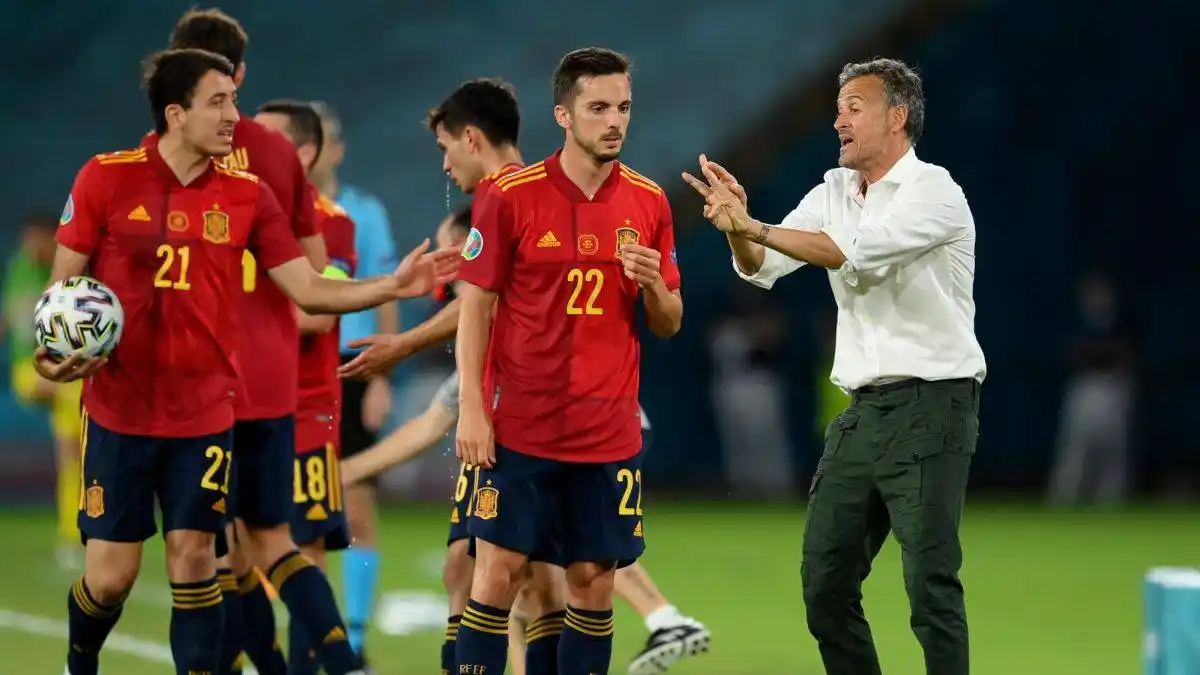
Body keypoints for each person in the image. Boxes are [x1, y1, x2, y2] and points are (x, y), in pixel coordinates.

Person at [41, 48, 456, 675]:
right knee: (111, 578)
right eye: (218, 102)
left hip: (206, 415)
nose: (234, 115)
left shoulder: (247, 196)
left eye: (233, 101)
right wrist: (53, 358)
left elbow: (309, 289)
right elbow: (62, 296)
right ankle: (81, 657)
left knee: (194, 559)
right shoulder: (105, 177)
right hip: (120, 412)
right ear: (175, 114)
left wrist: (392, 287)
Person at [683, 57, 985, 675]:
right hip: (865, 413)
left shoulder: (935, 191)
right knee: (825, 584)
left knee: (930, 585)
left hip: (934, 406)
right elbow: (761, 267)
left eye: (854, 107)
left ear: (896, 117)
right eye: (838, 108)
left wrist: (753, 226)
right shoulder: (833, 191)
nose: (838, 120)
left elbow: (852, 253)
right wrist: (739, 229)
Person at [341, 211, 711, 675]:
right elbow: (436, 415)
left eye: (455, 258)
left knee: (548, 566)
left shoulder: (509, 294)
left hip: (591, 432)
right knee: (511, 573)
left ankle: (663, 617)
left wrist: (402, 347)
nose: (450, 281)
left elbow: (432, 421)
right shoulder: (495, 322)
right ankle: (661, 618)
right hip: (570, 433)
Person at [454, 47, 683, 675]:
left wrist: (653, 286)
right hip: (522, 426)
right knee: (498, 571)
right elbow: (475, 309)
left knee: (592, 580)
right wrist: (472, 406)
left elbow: (669, 322)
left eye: (624, 108)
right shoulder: (511, 195)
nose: (615, 121)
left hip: (607, 432)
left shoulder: (649, 202)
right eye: (599, 108)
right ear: (563, 114)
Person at [164, 10, 327, 674]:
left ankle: (250, 664)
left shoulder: (153, 157)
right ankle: (339, 661)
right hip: (271, 375)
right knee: (272, 540)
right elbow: (315, 280)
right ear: (240, 72)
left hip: (194, 381)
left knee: (202, 546)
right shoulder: (277, 153)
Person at [255, 99, 359, 675]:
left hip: (305, 412)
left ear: (305, 151)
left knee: (305, 548)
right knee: (225, 551)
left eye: (268, 140)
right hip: (238, 407)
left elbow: (315, 314)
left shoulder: (331, 222)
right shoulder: (234, 205)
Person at [307, 102, 398, 660]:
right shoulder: (274, 210)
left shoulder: (364, 211)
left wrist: (382, 377)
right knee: (292, 515)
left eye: (322, 139)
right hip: (295, 370)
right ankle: (308, 634)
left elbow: (386, 290)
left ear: (337, 149)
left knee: (357, 505)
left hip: (353, 368)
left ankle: (355, 640)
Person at [3, 212, 84, 570]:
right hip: (31, 371)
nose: (30, 246)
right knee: (70, 399)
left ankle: (71, 537)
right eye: (27, 239)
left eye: (36, 239)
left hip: (62, 372)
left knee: (71, 458)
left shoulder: (69, 270)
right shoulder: (21, 269)